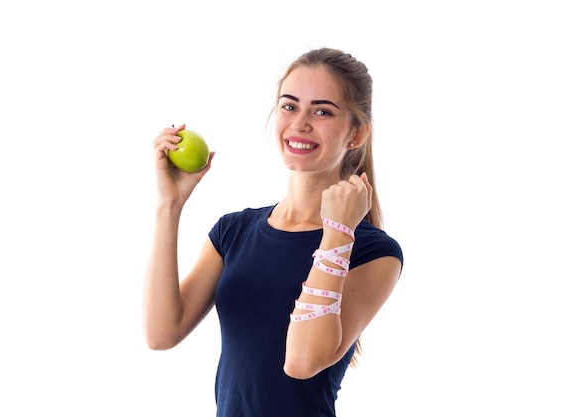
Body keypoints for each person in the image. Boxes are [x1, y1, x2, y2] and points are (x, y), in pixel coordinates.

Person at [144, 47, 404, 417]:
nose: (300, 123)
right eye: (289, 106)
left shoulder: (372, 251)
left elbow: (301, 361)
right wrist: (169, 206)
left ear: (356, 134)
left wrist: (338, 233)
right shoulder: (233, 231)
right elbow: (160, 333)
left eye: (322, 111)